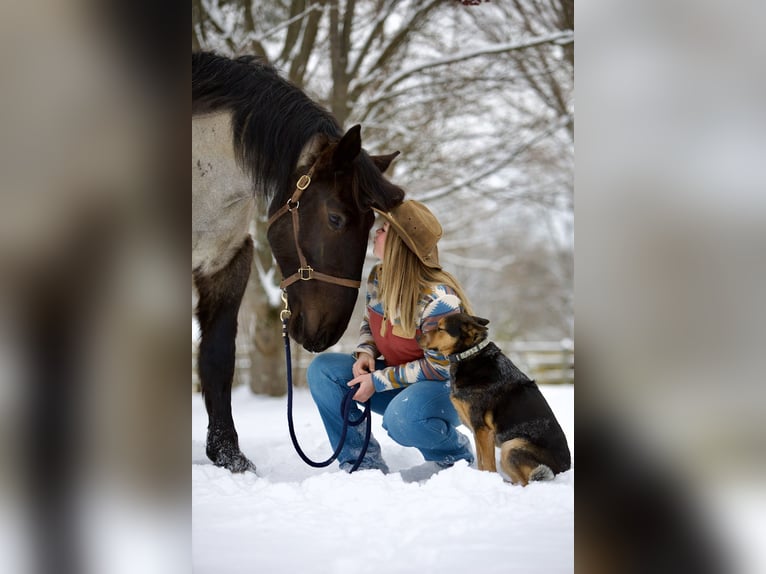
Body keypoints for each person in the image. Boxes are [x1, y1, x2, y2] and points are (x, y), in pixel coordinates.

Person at [307, 200, 475, 478]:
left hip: (448, 389)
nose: (376, 232)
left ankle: (455, 458)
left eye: (384, 229)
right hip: (403, 383)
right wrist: (366, 354)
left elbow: (440, 367)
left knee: (403, 418)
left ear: (401, 242)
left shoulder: (438, 299)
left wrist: (377, 381)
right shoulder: (378, 278)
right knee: (324, 370)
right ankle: (361, 463)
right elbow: (370, 323)